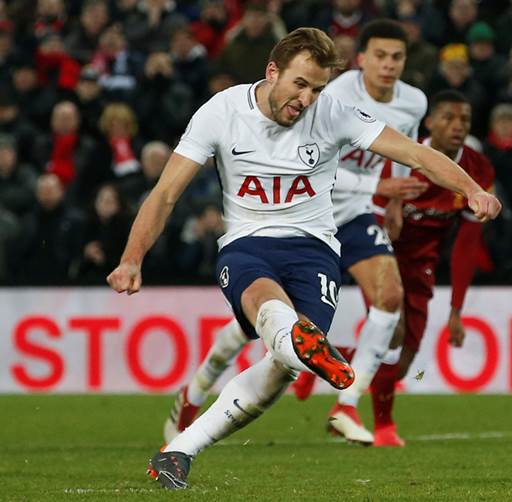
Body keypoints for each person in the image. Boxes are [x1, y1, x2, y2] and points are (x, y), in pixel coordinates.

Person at [106, 28, 500, 489]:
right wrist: (133, 258)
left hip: (315, 250)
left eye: (317, 88)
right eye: (300, 85)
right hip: (248, 243)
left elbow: (415, 153)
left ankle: (178, 452)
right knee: (268, 306)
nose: (308, 98)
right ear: (273, 71)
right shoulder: (222, 111)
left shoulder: (334, 113)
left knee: (284, 367)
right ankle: (302, 345)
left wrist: (471, 188)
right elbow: (166, 193)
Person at [161, 19, 429, 448]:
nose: (389, 65)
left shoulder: (414, 101)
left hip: (350, 218)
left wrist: (393, 200)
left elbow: (404, 153)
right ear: (361, 59)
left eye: (397, 57)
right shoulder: (331, 95)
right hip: (285, 223)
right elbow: (308, 167)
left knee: (390, 297)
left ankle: (347, 402)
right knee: (248, 331)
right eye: (380, 55)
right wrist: (379, 188)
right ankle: (192, 396)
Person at [369, 90, 495, 447]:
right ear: (430, 122)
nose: (458, 126)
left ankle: (327, 357)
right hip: (382, 253)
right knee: (393, 331)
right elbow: (363, 203)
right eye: (449, 118)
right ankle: (384, 428)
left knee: (405, 362)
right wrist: (389, 201)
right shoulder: (401, 157)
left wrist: (456, 310)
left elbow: (467, 245)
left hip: (423, 263)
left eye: (465, 120)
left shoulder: (478, 169)